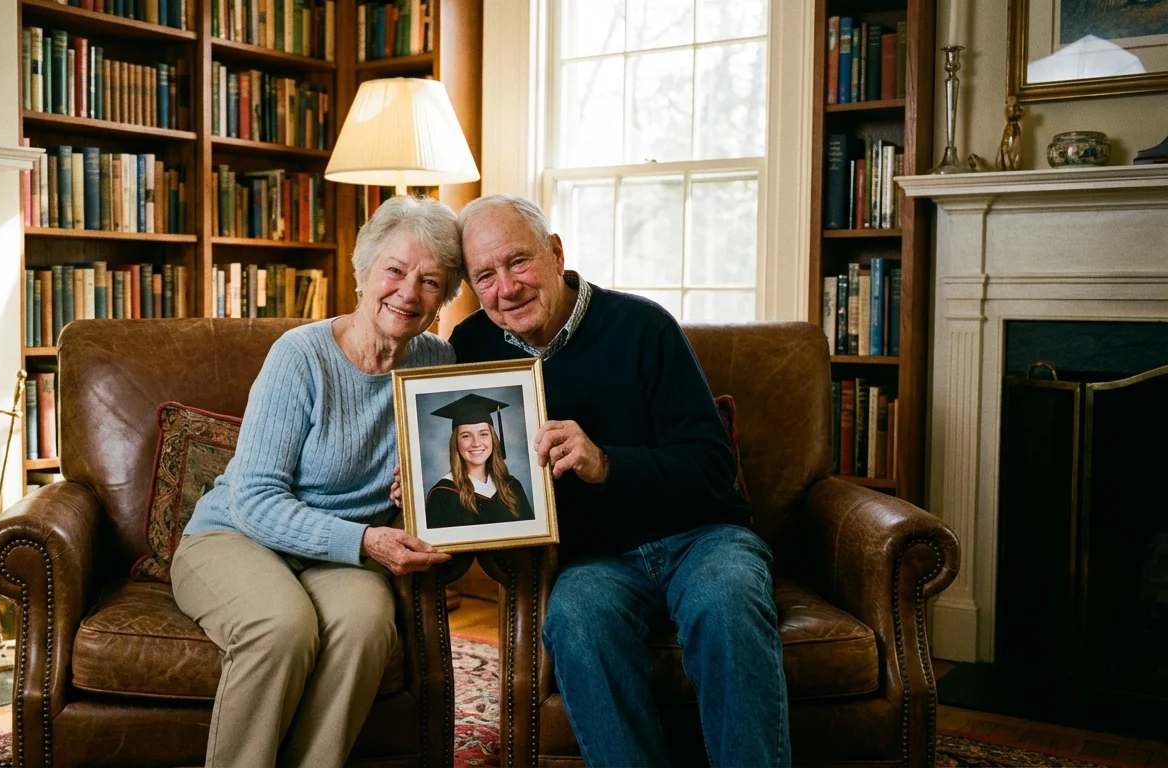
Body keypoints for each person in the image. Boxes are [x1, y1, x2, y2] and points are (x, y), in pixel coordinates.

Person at [449, 194, 791, 767]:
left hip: (702, 538)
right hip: (595, 560)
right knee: (576, 619)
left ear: (555, 254)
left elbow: (710, 465)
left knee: (726, 601)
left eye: (518, 262)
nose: (506, 288)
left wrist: (606, 463)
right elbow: (462, 463)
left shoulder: (642, 326)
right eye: (485, 275)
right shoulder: (471, 346)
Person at [170, 194, 462, 768]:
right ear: (364, 271)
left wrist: (416, 499)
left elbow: (445, 485)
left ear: (444, 298)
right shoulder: (299, 357)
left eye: (430, 282)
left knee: (365, 626)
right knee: (281, 625)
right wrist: (364, 540)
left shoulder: (438, 364)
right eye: (396, 271)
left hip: (341, 557)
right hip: (236, 536)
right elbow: (254, 499)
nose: (408, 293)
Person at [424, 393, 534, 528]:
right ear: (456, 443)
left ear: (493, 439)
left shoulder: (512, 486)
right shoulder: (441, 495)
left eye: (483, 434)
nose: (476, 443)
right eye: (466, 436)